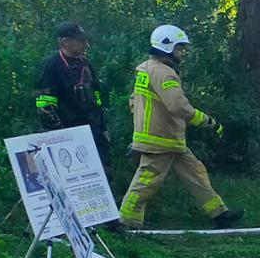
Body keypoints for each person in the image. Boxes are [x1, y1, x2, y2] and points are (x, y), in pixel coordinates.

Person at [120, 25, 240, 230]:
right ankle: (126, 221)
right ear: (166, 47)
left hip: (168, 138)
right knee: (147, 180)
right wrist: (207, 121)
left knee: (196, 173)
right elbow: (178, 106)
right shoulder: (165, 74)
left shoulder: (147, 68)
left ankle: (220, 213)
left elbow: (133, 101)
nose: (182, 53)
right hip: (160, 139)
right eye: (179, 48)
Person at [35, 22, 112, 181]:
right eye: (81, 41)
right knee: (74, 178)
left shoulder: (86, 64)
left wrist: (102, 126)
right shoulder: (52, 65)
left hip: (94, 131)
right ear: (65, 42)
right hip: (68, 134)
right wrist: (58, 133)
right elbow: (44, 104)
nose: (86, 45)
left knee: (104, 175)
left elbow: (97, 95)